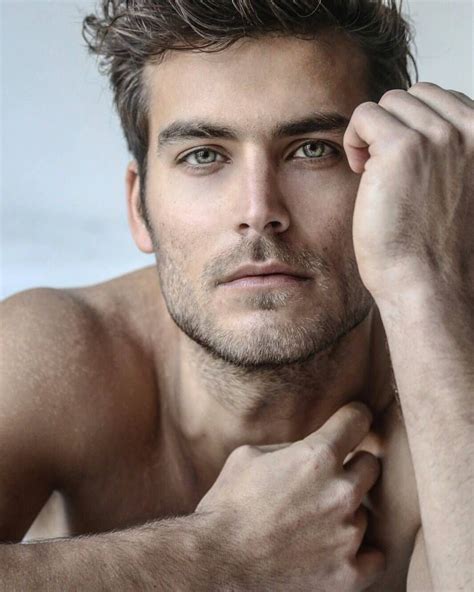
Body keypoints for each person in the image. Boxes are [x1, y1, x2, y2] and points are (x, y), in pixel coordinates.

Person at [1, 0, 472, 589]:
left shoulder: (453, 378)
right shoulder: (52, 357)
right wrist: (219, 553)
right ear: (139, 208)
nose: (259, 210)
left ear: (394, 178)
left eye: (313, 149)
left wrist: (422, 279)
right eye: (204, 155)